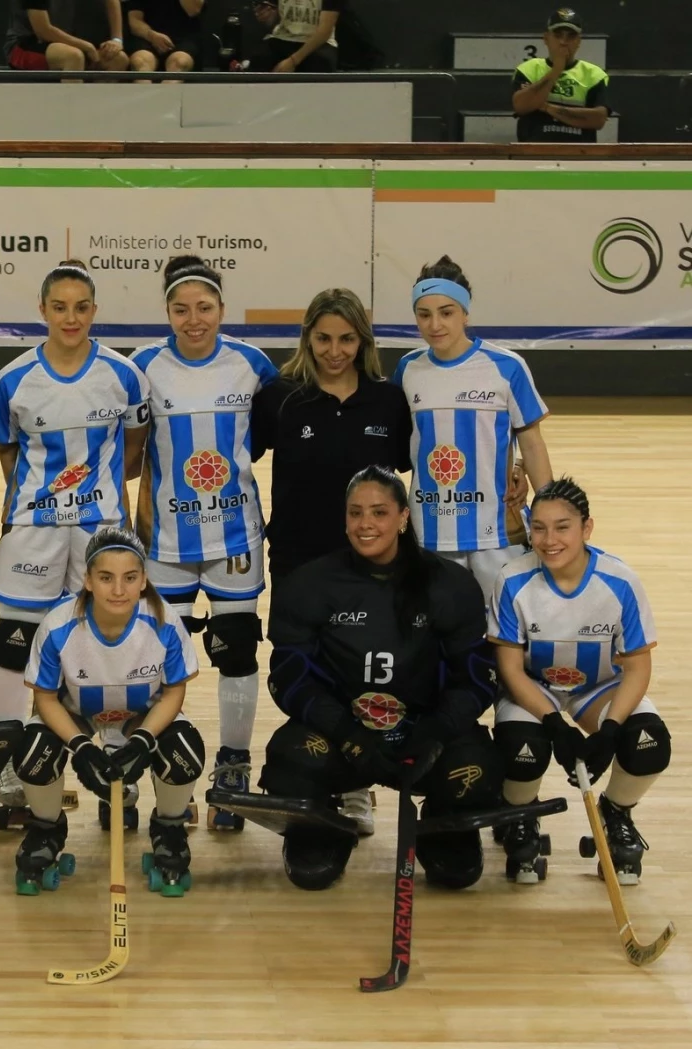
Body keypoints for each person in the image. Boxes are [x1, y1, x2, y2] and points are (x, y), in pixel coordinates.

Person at [265, 466, 502, 891]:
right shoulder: (310, 584)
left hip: (424, 733)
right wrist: (345, 730)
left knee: (480, 770)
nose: (365, 524)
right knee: (289, 762)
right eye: (355, 513)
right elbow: (289, 676)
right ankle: (322, 827)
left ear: (403, 517)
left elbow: (478, 677)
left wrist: (436, 730)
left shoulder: (449, 584)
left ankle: (445, 827)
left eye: (378, 512)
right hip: (344, 735)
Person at [0, 260, 150, 806]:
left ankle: (113, 760)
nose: (70, 317)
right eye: (60, 307)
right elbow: (6, 449)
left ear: (94, 311)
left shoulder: (124, 376)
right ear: (43, 311)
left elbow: (132, 450)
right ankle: (8, 761)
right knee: (16, 643)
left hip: (101, 531)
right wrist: (39, 502)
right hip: (33, 528)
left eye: (81, 307)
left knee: (103, 640)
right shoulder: (14, 379)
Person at [249, 288, 410, 833]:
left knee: (357, 671)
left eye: (346, 339)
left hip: (371, 567)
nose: (335, 351)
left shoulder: (388, 403)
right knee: (303, 670)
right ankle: (315, 769)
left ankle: (356, 784)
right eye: (323, 338)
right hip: (296, 560)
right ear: (307, 338)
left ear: (362, 341)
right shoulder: (280, 397)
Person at [132, 255, 276, 827]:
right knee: (160, 659)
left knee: (236, 649)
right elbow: (131, 450)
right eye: (181, 309)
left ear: (222, 309)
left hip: (235, 535)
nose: (194, 320)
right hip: (165, 540)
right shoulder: (142, 367)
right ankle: (168, 768)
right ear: (166, 311)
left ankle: (234, 765)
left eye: (205, 308)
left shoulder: (254, 365)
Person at [489, 477, 668, 884]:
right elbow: (511, 669)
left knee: (648, 744)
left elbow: (638, 667)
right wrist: (553, 726)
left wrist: (609, 731)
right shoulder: (512, 580)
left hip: (598, 687)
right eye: (538, 527)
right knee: (523, 750)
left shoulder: (620, 581)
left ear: (587, 528)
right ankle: (521, 815)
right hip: (536, 688)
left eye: (563, 527)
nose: (549, 539)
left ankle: (616, 813)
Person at [14, 527, 203, 895]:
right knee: (33, 749)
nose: (118, 590)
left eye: (130, 578)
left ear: (144, 580)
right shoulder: (57, 626)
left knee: (185, 750)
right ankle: (45, 830)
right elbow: (46, 700)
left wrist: (145, 740)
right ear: (86, 580)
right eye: (105, 578)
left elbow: (173, 691)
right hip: (77, 714)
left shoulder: (164, 623)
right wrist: (82, 748)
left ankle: (169, 828)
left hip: (140, 715)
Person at [393, 256, 553, 604]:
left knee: (505, 628)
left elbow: (532, 443)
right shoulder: (407, 370)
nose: (435, 324)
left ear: (465, 313)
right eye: (424, 314)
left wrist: (548, 507)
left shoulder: (507, 367)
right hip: (429, 530)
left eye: (446, 312)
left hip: (496, 534)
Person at [512, 9, 609, 143]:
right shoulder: (529, 69)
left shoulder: (594, 74)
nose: (564, 41)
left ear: (579, 41)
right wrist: (556, 70)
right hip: (532, 152)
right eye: (558, 35)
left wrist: (547, 107)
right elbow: (522, 107)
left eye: (571, 36)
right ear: (546, 39)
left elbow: (598, 119)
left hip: (580, 155)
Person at [6, 0, 130, 71]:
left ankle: (98, 113)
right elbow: (43, 31)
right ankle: (72, 112)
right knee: (73, 56)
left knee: (118, 59)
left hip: (72, 40)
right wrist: (86, 46)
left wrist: (116, 39)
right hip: (28, 43)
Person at [252, 0, 341, 72]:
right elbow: (274, 19)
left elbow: (324, 32)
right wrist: (268, 17)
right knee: (260, 59)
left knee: (319, 63)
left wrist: (293, 61)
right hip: (284, 36)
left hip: (317, 42)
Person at [126, 0, 203, 73]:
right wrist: (151, 36)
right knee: (139, 62)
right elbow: (135, 19)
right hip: (148, 36)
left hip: (184, 37)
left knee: (180, 62)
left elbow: (193, 10)